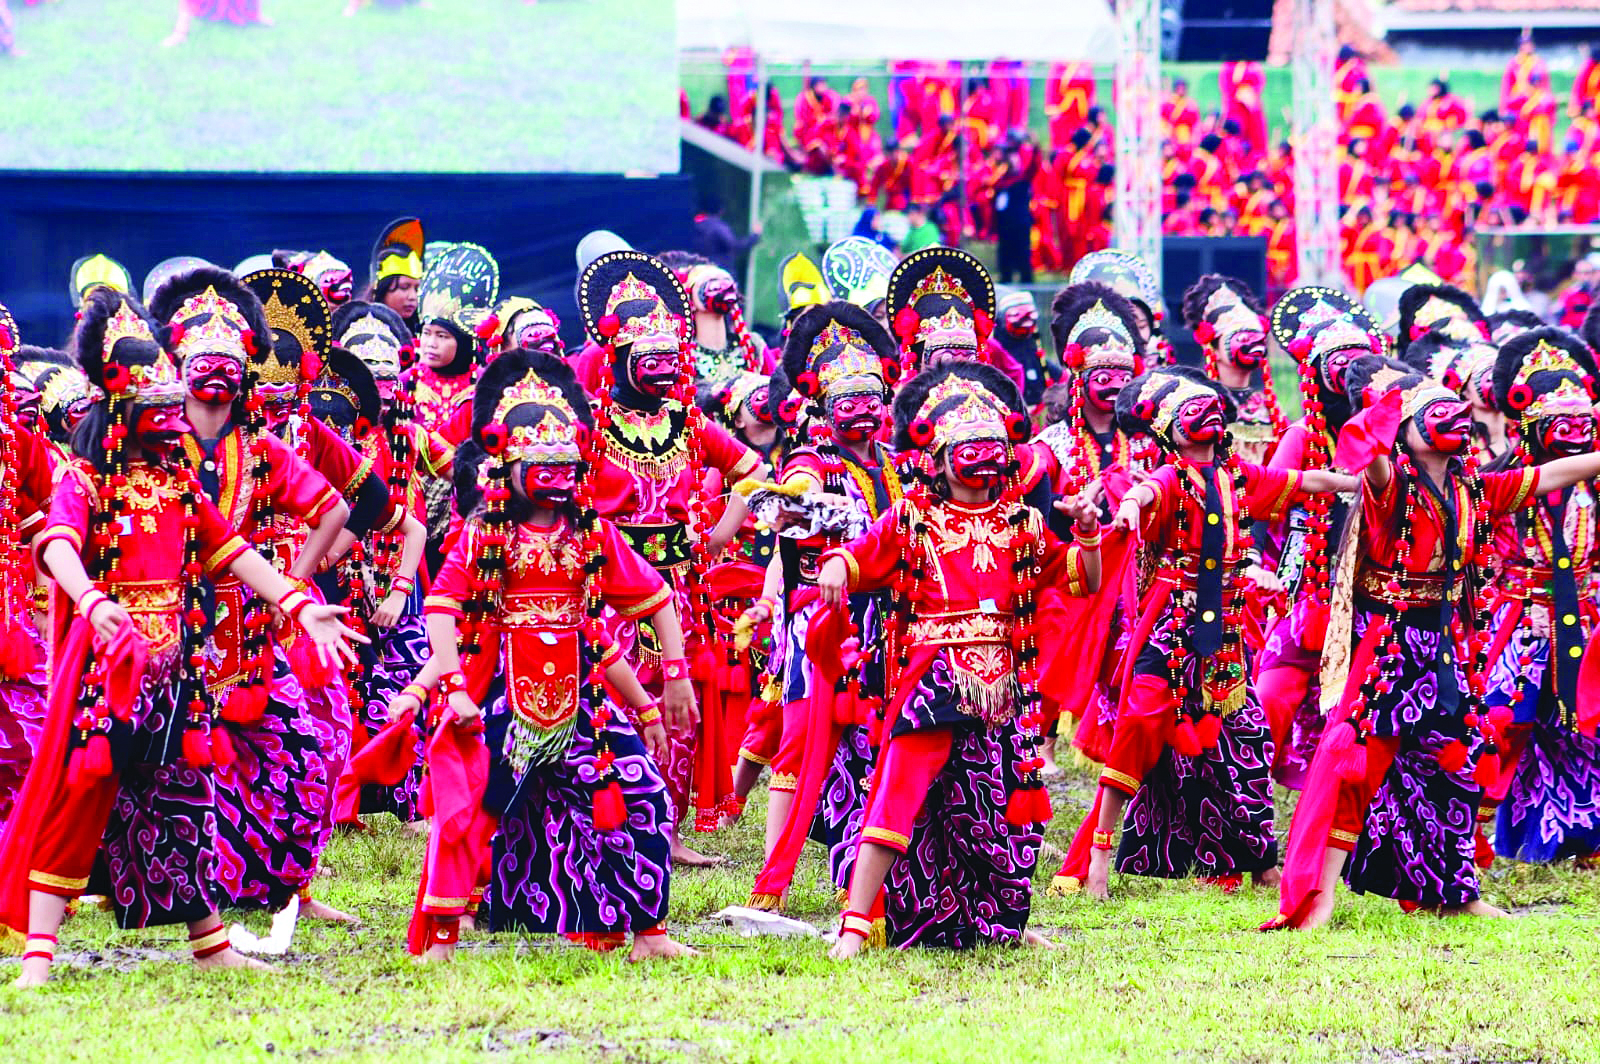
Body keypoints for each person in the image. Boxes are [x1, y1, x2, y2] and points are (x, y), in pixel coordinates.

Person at [0, 288, 362, 988]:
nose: (175, 419)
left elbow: (231, 551)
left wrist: (297, 601)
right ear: (123, 410)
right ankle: (38, 957)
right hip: (108, 675)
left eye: (175, 406)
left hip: (173, 672)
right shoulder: (88, 479)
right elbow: (57, 546)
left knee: (182, 801)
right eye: (160, 408)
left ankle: (210, 944)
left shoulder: (179, 486)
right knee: (77, 804)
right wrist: (91, 599)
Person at [1270, 355, 1600, 930]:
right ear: (1408, 431)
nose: (1455, 417)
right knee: (1358, 769)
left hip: (1444, 645)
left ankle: (1454, 891)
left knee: (1454, 768)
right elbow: (1369, 458)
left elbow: (1551, 475)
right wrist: (1380, 415)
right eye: (1437, 412)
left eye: (1458, 411)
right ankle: (1318, 897)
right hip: (1390, 647)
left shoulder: (1477, 488)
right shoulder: (1391, 485)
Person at [407, 348, 695, 963]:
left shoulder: (593, 536)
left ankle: (649, 935)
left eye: (566, 463)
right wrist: (453, 688)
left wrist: (667, 686)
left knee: (643, 798)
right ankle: (442, 941)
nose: (557, 475)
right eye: (542, 464)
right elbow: (442, 610)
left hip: (584, 706)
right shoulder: (484, 535)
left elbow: (652, 603)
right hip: (500, 700)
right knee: (469, 813)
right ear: (507, 467)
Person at [817, 360, 1103, 956]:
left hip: (1004, 686)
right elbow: (860, 553)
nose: (983, 457)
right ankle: (855, 925)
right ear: (939, 458)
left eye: (993, 446)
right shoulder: (913, 518)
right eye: (969, 448)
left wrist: (1088, 532)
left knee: (996, 806)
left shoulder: (1025, 523)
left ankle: (997, 923)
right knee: (900, 791)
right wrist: (837, 565)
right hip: (934, 676)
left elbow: (1082, 577)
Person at [1054, 367, 1355, 899]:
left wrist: (1362, 482)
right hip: (1170, 632)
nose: (1208, 413)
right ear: (1171, 429)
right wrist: (1127, 508)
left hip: (1227, 638)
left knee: (1247, 742)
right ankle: (1098, 854)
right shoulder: (1170, 478)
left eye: (1212, 406)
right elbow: (1143, 494)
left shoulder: (1240, 477)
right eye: (1193, 409)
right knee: (1139, 728)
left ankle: (1260, 862)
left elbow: (1306, 481)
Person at [577, 250, 766, 862]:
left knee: (679, 704)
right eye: (648, 359)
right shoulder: (591, 427)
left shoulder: (689, 423)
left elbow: (753, 471)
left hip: (681, 587)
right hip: (610, 589)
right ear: (620, 358)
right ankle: (607, 821)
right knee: (613, 697)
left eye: (669, 357)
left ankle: (668, 831)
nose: (662, 369)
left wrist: (717, 538)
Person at [743, 302, 901, 912]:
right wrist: (804, 503)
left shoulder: (895, 464)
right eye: (848, 401)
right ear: (824, 406)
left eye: (872, 398)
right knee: (801, 737)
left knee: (880, 741)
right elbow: (786, 501)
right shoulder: (813, 461)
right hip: (822, 621)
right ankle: (772, 878)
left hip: (887, 619)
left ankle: (873, 870)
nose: (862, 410)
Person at [1478, 329, 1600, 865]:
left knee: (1586, 725)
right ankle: (1470, 829)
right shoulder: (1502, 483)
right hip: (1520, 619)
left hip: (1587, 615)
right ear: (1530, 425)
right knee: (1504, 721)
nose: (1576, 436)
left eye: (1584, 425)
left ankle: (1586, 836)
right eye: (1562, 425)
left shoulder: (1594, 484)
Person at [1181, 274, 1286, 464]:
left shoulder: (1269, 409)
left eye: (1258, 338)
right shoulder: (1196, 405)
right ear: (1214, 349)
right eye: (1243, 338)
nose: (1254, 344)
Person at [691, 196, 760, 276]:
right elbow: (735, 246)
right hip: (720, 271)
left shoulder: (695, 227)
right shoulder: (717, 227)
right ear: (721, 210)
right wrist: (755, 236)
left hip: (701, 273)